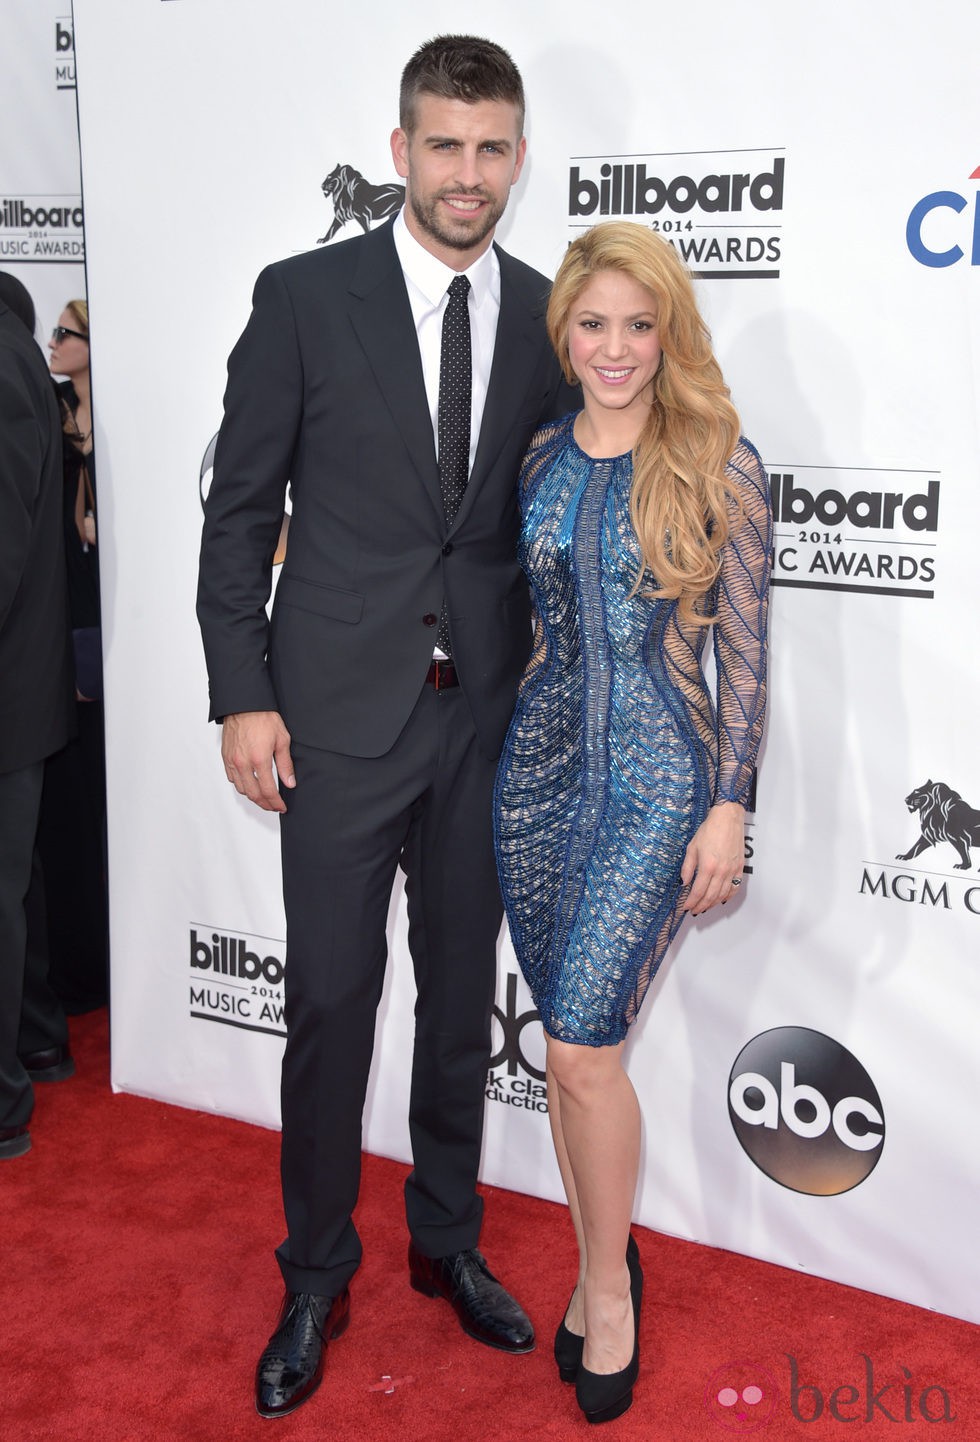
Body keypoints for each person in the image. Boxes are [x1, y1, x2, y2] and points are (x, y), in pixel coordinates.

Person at [197, 35, 575, 1420]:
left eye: (491, 150)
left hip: (481, 718)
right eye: (443, 145)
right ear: (401, 147)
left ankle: (446, 1236)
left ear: (516, 160)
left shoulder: (547, 317)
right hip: (337, 719)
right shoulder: (303, 297)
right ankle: (314, 1266)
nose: (466, 174)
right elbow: (238, 513)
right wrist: (243, 689)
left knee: (457, 1004)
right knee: (332, 1001)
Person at [494, 222, 772, 1424]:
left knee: (583, 1047)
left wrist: (730, 802)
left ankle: (608, 1287)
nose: (613, 347)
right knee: (564, 1047)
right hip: (535, 779)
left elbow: (747, 658)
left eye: (637, 325)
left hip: (662, 781)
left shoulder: (719, 460)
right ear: (566, 330)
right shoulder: (539, 458)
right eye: (592, 323)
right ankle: (593, 1254)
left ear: (669, 333)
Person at [0, 273, 76, 1159]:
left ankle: (5, 1101)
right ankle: (38, 1042)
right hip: (18, 690)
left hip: (9, 686)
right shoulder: (19, 359)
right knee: (13, 885)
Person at [39, 298, 108, 1015]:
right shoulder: (46, 417)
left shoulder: (112, 430)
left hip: (110, 630)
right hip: (60, 630)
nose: (53, 343)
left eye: (66, 333)